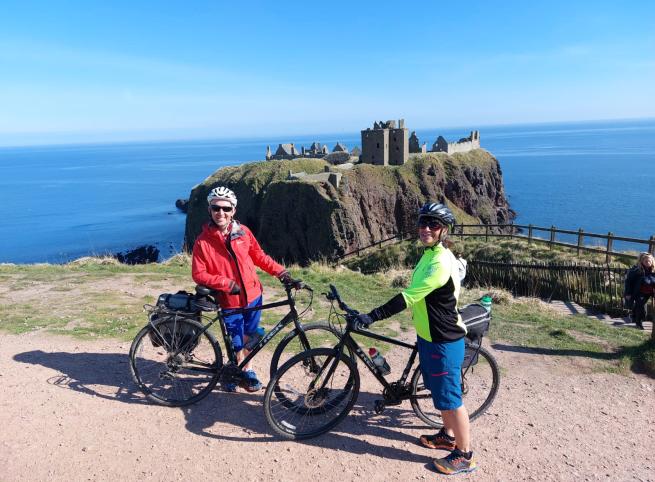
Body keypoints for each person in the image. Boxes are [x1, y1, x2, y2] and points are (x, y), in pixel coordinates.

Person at [354, 202, 476, 475]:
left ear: (445, 230)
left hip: (443, 340)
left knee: (451, 398)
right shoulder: (429, 254)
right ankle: (447, 435)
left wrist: (372, 316)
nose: (426, 229)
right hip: (428, 337)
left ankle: (465, 455)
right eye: (423, 223)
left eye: (433, 225)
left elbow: (408, 297)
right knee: (438, 392)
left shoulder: (440, 262)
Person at [191, 186, 292, 391]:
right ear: (209, 210)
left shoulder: (243, 232)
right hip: (229, 300)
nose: (221, 213)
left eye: (226, 208)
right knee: (237, 340)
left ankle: (245, 370)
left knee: (250, 336)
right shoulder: (203, 242)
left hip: (254, 295)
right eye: (216, 208)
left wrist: (281, 273)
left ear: (233, 210)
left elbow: (259, 256)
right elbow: (198, 274)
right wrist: (226, 284)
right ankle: (242, 371)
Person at [624, 252, 655, 330]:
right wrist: (628, 293)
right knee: (640, 306)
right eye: (646, 261)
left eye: (649, 261)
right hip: (639, 292)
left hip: (649, 292)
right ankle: (638, 323)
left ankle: (634, 316)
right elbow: (628, 281)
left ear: (652, 262)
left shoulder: (653, 271)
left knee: (639, 306)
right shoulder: (637, 270)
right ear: (642, 261)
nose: (648, 262)